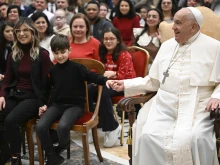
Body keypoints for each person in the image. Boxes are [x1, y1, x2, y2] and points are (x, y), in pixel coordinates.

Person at [107, 7, 220, 165]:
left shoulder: (214, 47)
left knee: (197, 138)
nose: (173, 27)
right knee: (146, 135)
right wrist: (125, 84)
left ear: (193, 27)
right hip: (164, 105)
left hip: (197, 105)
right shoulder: (167, 46)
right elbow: (153, 81)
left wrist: (216, 96)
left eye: (178, 23)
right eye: (173, 22)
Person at [36, 34, 108, 165]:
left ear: (69, 50)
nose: (60, 56)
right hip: (57, 105)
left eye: (63, 52)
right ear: (53, 53)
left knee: (62, 127)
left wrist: (106, 81)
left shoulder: (78, 68)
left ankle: (61, 147)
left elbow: (92, 76)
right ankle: (52, 156)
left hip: (75, 106)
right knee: (40, 126)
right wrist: (43, 105)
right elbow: (45, 90)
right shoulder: (53, 70)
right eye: (56, 53)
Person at [0, 17, 52, 165]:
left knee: (11, 121)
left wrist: (43, 104)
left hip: (34, 98)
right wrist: (1, 95)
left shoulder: (42, 54)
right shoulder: (13, 54)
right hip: (15, 94)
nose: (21, 34)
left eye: (25, 30)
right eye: (18, 31)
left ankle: (15, 158)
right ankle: (5, 153)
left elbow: (47, 84)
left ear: (32, 32)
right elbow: (7, 80)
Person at [88, 27, 136, 148]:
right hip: (109, 83)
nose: (108, 41)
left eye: (111, 39)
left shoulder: (124, 54)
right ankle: (89, 124)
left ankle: (112, 127)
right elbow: (100, 70)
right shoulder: (103, 52)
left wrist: (113, 74)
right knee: (88, 89)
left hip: (125, 84)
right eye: (106, 39)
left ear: (118, 40)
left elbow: (123, 75)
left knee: (103, 92)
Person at [0, 21, 14, 87]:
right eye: (7, 31)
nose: (11, 33)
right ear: (2, 33)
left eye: (12, 31)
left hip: (13, 77)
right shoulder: (1, 45)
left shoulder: (20, 46)